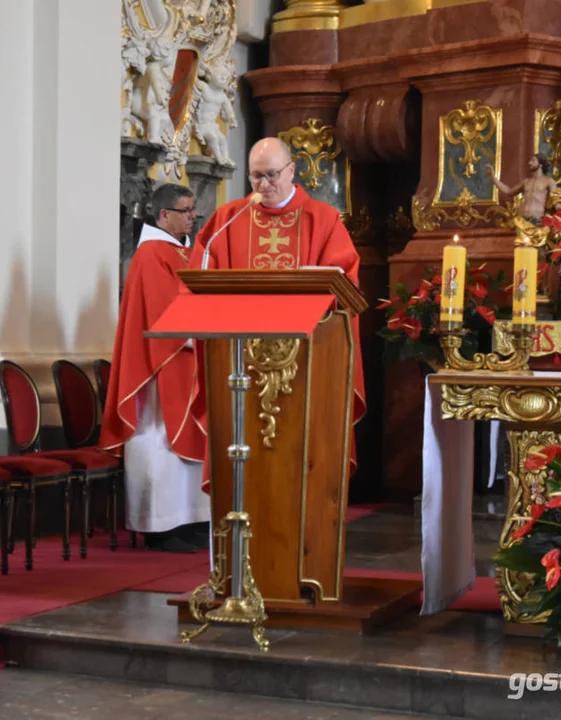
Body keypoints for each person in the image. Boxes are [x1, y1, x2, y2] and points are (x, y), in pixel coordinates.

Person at [187, 137, 366, 481]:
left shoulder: (324, 220)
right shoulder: (228, 218)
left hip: (305, 368)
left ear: (292, 170)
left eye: (271, 175)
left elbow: (346, 289)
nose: (264, 185)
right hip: (238, 367)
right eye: (256, 177)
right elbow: (201, 276)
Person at [99, 184, 209, 553]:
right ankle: (157, 525)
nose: (192, 216)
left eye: (194, 209)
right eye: (186, 210)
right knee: (159, 443)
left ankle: (190, 518)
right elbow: (165, 310)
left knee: (185, 448)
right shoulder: (151, 254)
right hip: (157, 366)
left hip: (186, 360)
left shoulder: (183, 252)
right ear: (164, 215)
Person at [486, 153, 558, 221]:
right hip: (522, 220)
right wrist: (493, 178)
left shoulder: (549, 181)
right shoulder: (526, 182)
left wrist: (559, 206)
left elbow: (555, 199)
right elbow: (509, 192)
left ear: (541, 164)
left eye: (533, 160)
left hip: (537, 220)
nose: (529, 163)